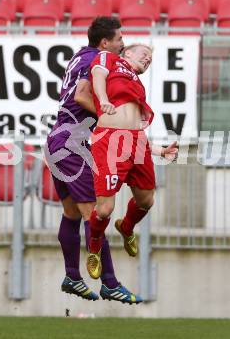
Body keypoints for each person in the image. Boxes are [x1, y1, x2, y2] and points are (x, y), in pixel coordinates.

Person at [45, 17, 142, 304]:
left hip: (60, 141)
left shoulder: (80, 56)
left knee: (73, 213)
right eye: (119, 38)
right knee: (97, 215)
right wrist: (108, 116)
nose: (122, 43)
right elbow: (82, 94)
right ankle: (110, 283)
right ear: (105, 43)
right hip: (71, 145)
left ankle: (72, 276)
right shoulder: (99, 59)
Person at [86, 44, 178, 279]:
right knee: (105, 209)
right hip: (109, 140)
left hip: (136, 141)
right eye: (144, 54)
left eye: (150, 58)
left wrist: (158, 150)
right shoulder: (110, 59)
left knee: (146, 200)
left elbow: (133, 124)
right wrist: (103, 98)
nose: (148, 59)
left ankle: (126, 227)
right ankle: (94, 245)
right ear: (126, 53)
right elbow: (97, 75)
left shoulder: (136, 82)